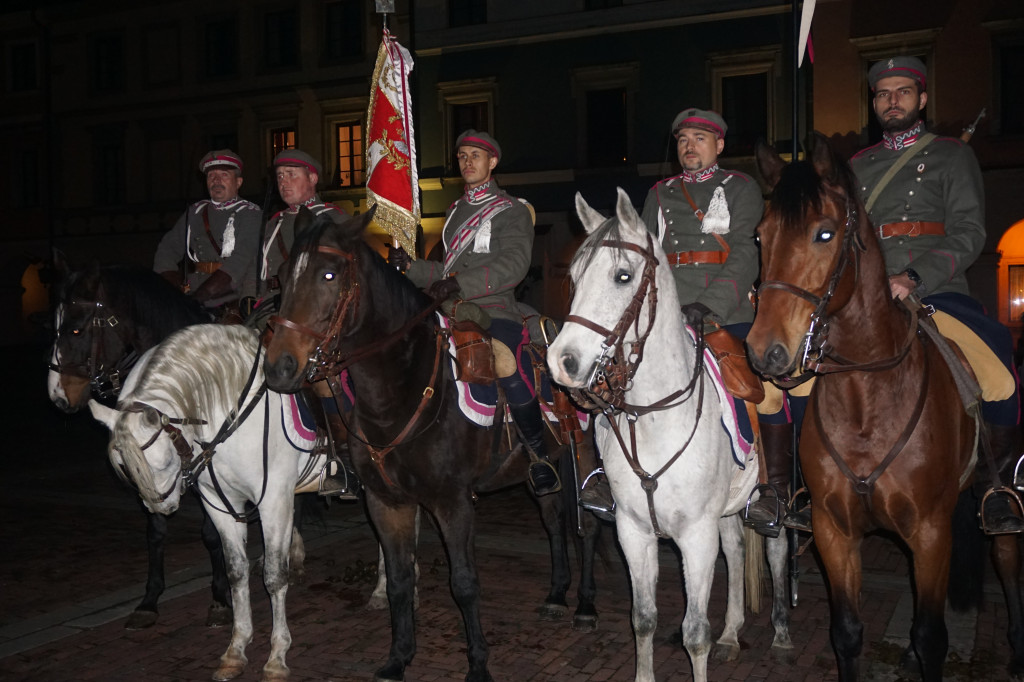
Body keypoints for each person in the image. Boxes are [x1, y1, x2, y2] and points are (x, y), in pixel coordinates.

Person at [849, 55, 1022, 534]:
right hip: (869, 298)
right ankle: (805, 486)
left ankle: (998, 486)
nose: (892, 100)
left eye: (903, 91)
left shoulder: (951, 155)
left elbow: (968, 232)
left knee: (1000, 372)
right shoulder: (858, 165)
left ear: (921, 99)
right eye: (883, 94)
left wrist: (913, 277)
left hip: (936, 291)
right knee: (803, 373)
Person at [388, 129, 571, 499]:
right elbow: (445, 271)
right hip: (448, 308)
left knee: (507, 365)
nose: (467, 162)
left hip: (494, 308)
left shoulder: (512, 210)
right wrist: (411, 268)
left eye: (475, 156)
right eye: (462, 156)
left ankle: (538, 456)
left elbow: (515, 265)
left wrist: (460, 285)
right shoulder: (456, 211)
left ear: (492, 163)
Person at [639, 108, 797, 535]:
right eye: (684, 139)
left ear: (719, 146)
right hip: (665, 310)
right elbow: (645, 255)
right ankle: (607, 474)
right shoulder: (660, 193)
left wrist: (709, 304)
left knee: (763, 389)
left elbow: (748, 254)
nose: (690, 146)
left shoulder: (742, 188)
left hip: (723, 311)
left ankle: (771, 488)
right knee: (617, 372)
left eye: (700, 139)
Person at [154, 149, 261, 319]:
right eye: (211, 175)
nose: (216, 180)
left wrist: (200, 296)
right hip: (192, 290)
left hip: (232, 295)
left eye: (224, 175)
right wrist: (174, 287)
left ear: (238, 182)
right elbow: (167, 249)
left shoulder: (250, 213)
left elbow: (241, 259)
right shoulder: (196, 212)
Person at [245, 148, 349, 312]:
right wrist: (248, 297)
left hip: (311, 308)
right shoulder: (274, 223)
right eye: (280, 176)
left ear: (312, 178)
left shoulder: (334, 218)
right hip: (268, 304)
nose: (283, 182)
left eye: (291, 174)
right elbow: (255, 266)